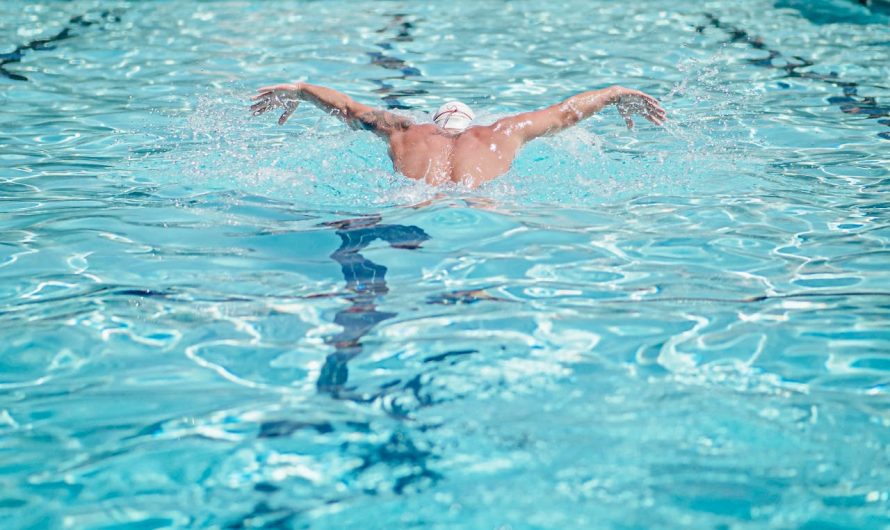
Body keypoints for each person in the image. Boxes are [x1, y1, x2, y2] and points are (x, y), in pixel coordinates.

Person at [250, 82, 666, 187]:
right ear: (469, 123)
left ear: (435, 120)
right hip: (486, 205)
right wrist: (613, 95)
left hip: (410, 204)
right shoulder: (501, 132)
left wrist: (301, 90)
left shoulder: (405, 129)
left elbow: (347, 108)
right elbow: (565, 113)